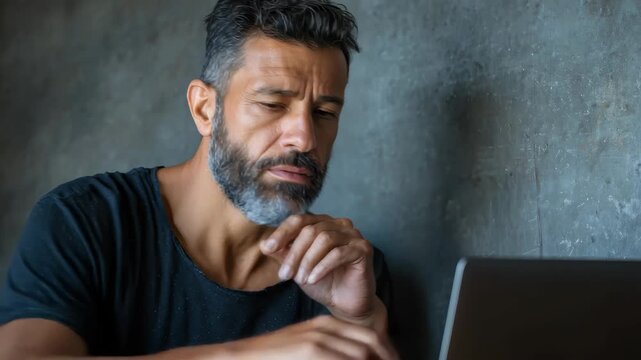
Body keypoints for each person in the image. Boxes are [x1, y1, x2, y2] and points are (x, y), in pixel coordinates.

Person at [0, 1, 398, 359]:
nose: (305, 138)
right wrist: (240, 356)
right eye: (272, 104)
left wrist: (361, 320)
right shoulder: (84, 220)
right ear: (205, 109)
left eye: (325, 112)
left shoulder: (343, 269)